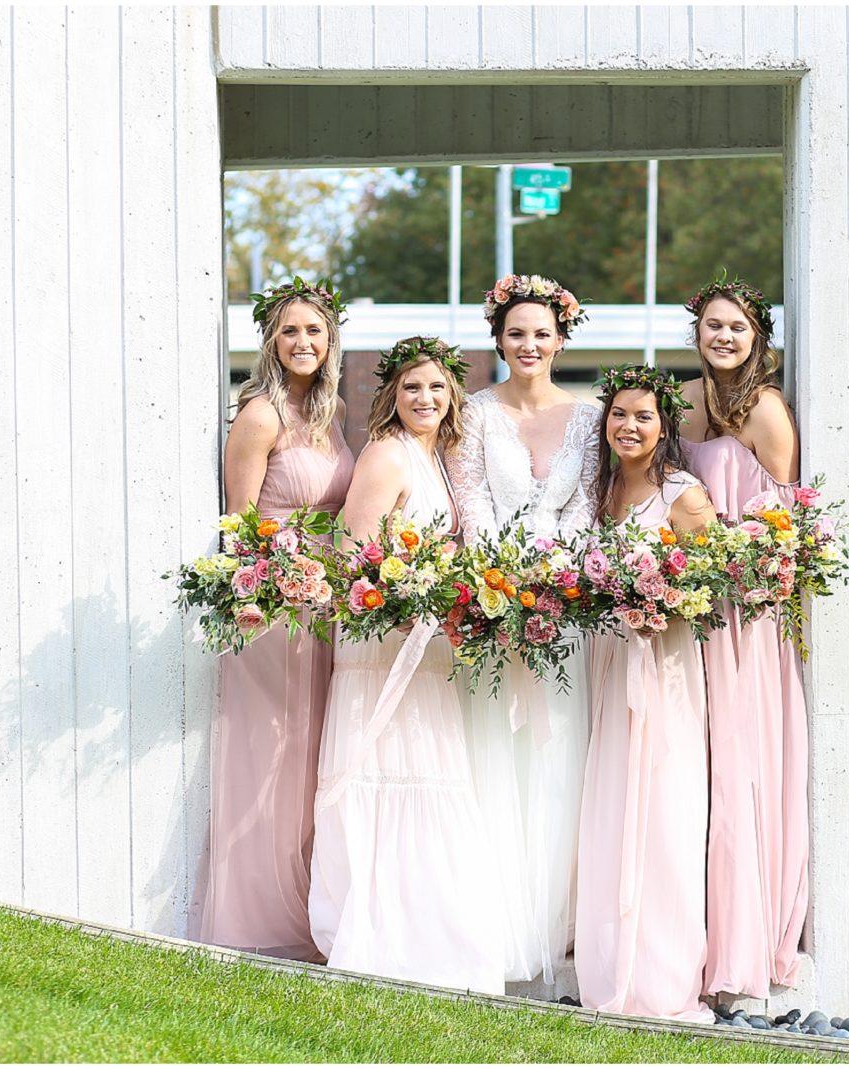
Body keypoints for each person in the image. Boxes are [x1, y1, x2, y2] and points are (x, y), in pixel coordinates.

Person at [306, 336, 502, 993]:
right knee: (384, 772)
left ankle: (427, 924)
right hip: (381, 643)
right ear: (392, 394)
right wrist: (408, 596)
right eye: (413, 387)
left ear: (453, 399)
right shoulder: (388, 454)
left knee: (428, 772)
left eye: (438, 388)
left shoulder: (437, 457)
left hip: (426, 645)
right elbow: (356, 555)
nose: (425, 398)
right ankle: (378, 926)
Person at [193, 278, 354, 961]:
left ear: (330, 340)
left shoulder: (331, 412)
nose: (302, 343)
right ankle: (260, 921)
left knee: (315, 749)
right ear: (269, 340)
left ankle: (310, 905)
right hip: (278, 605)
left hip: (328, 602)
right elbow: (241, 521)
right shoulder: (260, 416)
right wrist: (273, 583)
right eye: (290, 331)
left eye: (314, 331)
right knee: (273, 753)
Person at [444, 273, 597, 984]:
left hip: (563, 611)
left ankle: (553, 927)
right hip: (492, 606)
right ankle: (496, 929)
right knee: (494, 755)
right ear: (498, 340)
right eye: (516, 333)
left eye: (542, 332)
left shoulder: (591, 416)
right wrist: (499, 584)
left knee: (556, 756)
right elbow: (467, 499)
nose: (529, 344)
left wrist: (552, 582)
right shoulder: (473, 412)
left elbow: (588, 507)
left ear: (561, 337)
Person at [573, 365, 718, 1023]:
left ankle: (660, 977)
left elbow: (715, 588)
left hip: (663, 670)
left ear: (664, 428)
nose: (628, 427)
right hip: (609, 664)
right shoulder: (602, 491)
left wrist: (662, 607)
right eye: (619, 415)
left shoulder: (683, 496)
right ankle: (608, 961)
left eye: (643, 417)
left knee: (664, 815)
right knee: (611, 811)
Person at [678, 275, 809, 998]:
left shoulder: (765, 410)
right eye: (713, 326)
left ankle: (745, 943)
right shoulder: (684, 402)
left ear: (757, 337)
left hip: (745, 614)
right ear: (696, 332)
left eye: (738, 327)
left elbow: (785, 521)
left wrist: (742, 563)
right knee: (689, 768)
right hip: (687, 607)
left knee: (738, 765)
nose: (724, 337)